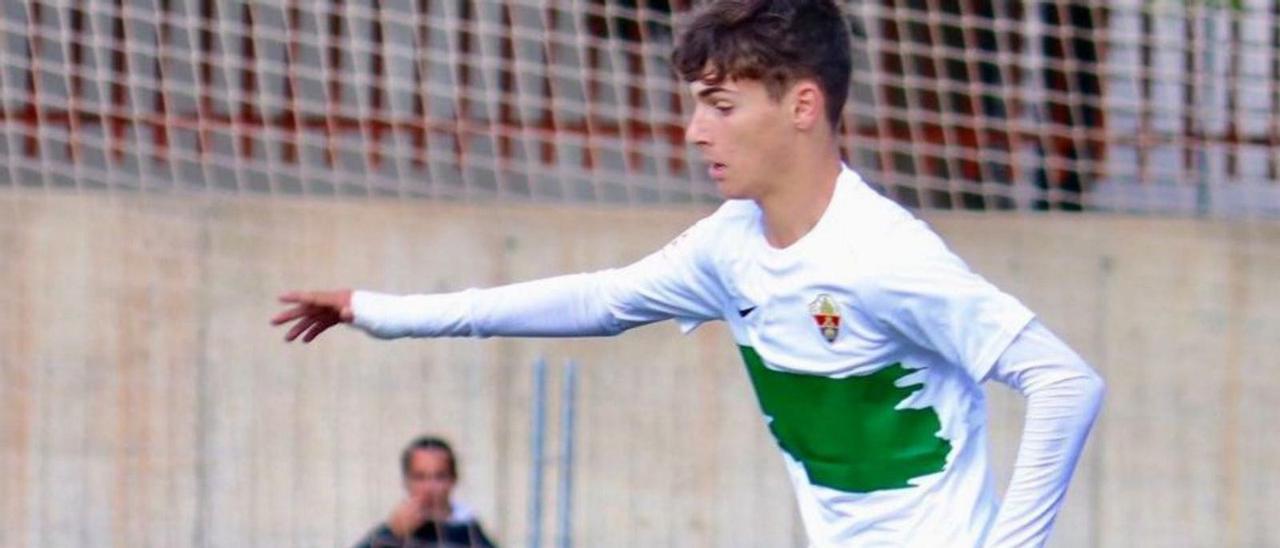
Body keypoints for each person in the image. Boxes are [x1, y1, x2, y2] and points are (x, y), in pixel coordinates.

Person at [272, 1, 1105, 545]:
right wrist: (378, 310)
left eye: (721, 105)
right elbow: (596, 300)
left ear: (803, 106)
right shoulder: (728, 247)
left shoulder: (884, 256)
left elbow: (1066, 383)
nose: (694, 132)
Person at [353, 436, 497, 548]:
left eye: (439, 476)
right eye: (420, 477)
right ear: (406, 481)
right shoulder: (393, 531)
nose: (429, 487)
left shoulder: (469, 532)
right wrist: (391, 533)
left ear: (453, 480)